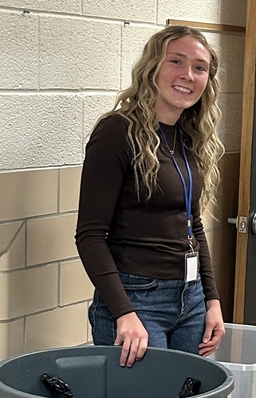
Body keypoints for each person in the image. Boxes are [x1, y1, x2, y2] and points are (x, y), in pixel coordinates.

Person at [75, 25, 226, 366]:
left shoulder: (190, 136)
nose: (187, 74)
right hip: (137, 300)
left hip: (191, 300)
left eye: (199, 67)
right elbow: (90, 236)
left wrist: (212, 300)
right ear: (153, 67)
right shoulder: (117, 131)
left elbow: (193, 225)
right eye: (176, 61)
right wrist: (123, 313)